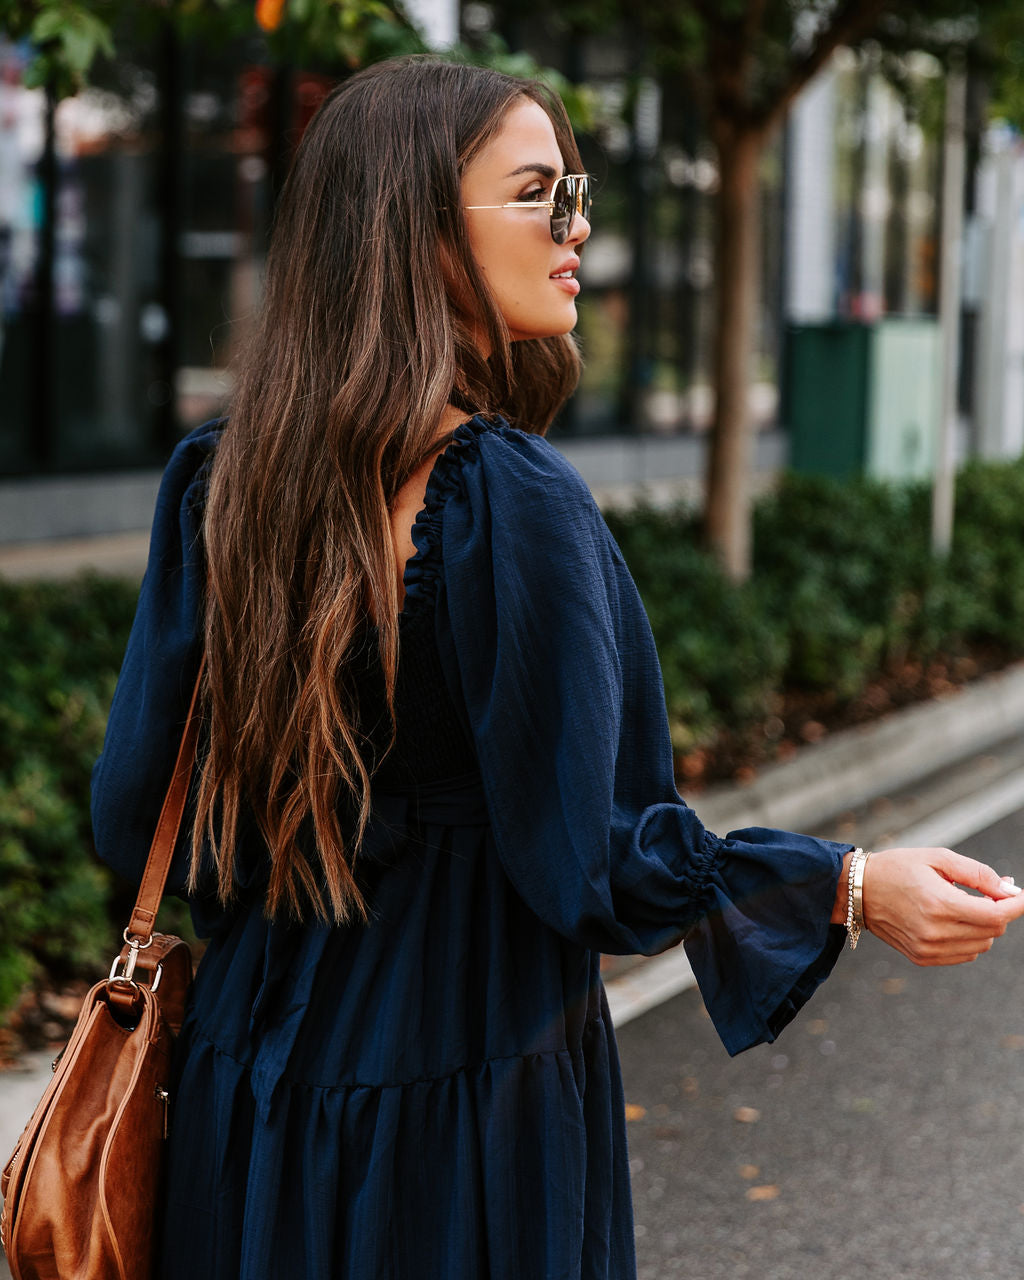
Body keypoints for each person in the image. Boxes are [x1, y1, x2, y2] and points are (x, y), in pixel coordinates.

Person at [90, 55, 1024, 1280]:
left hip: (245, 1092)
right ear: (416, 229)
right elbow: (594, 859)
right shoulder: (501, 498)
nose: (578, 229)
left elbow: (130, 813)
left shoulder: (218, 482)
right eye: (540, 195)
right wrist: (849, 885)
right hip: (460, 1103)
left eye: (574, 192)